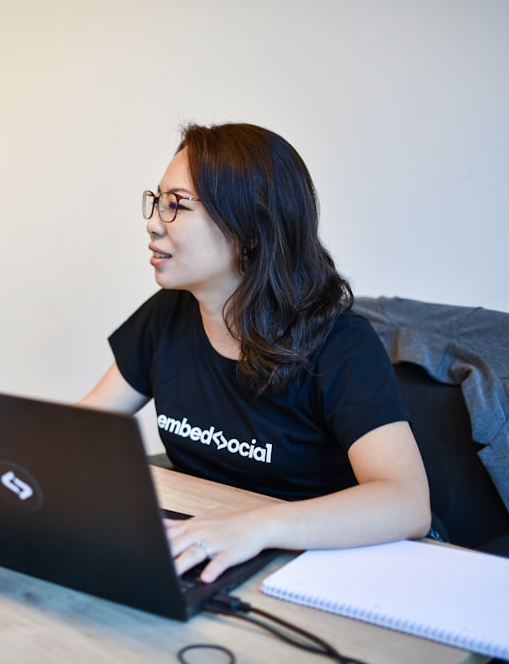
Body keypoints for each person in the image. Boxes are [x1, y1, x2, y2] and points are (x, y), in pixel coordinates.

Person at [78, 122, 431, 583]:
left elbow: (407, 502)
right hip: (217, 549)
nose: (152, 223)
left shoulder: (339, 343)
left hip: (323, 564)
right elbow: (81, 431)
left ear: (251, 230)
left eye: (176, 206)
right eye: (157, 201)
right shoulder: (167, 315)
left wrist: (255, 527)